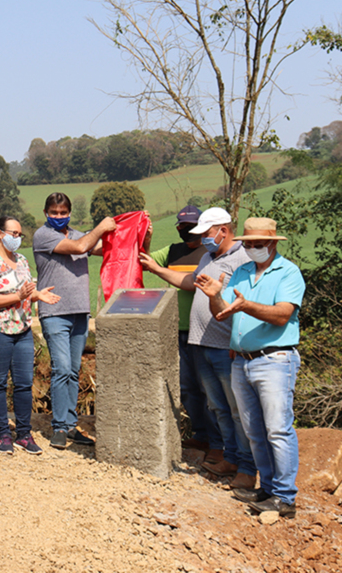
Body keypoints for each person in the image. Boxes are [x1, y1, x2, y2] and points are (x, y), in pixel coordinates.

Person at [139, 207, 257, 490]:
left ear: (223, 231)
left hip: (225, 346)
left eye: (206, 234)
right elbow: (190, 283)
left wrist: (236, 340)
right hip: (201, 341)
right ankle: (227, 455)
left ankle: (246, 465)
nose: (203, 239)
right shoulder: (208, 256)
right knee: (216, 406)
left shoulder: (243, 259)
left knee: (237, 408)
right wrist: (156, 268)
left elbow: (244, 301)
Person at [195, 217, 305, 519]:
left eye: (259, 244)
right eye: (249, 244)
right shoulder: (242, 272)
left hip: (274, 360)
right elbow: (224, 314)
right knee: (254, 430)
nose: (253, 248)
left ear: (272, 243)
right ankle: (267, 487)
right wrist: (215, 296)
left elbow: (283, 314)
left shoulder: (288, 272)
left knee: (278, 429)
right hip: (242, 362)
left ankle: (285, 497)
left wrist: (247, 306)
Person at [32, 193, 117, 449]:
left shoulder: (80, 234)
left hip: (80, 313)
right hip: (55, 312)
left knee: (73, 371)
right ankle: (59, 426)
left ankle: (70, 425)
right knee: (60, 369)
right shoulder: (44, 236)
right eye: (54, 213)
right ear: (46, 213)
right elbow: (81, 247)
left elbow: (109, 250)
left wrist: (139, 234)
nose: (58, 217)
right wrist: (101, 228)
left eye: (63, 212)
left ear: (69, 213)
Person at [0, 216, 61, 455]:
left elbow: (26, 293)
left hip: (23, 329)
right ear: (0, 234)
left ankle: (24, 434)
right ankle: (3, 434)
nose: (16, 238)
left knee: (24, 384)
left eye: (19, 235)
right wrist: (18, 296)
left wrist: (38, 295)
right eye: (12, 234)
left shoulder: (22, 260)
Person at [145, 205, 220, 455]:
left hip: (206, 330)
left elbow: (193, 285)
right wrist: (145, 236)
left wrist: (160, 271)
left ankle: (217, 441)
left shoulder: (210, 254)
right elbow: (143, 259)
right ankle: (201, 434)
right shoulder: (172, 252)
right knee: (187, 386)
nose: (187, 232)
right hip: (178, 330)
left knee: (207, 387)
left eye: (192, 227)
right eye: (183, 227)